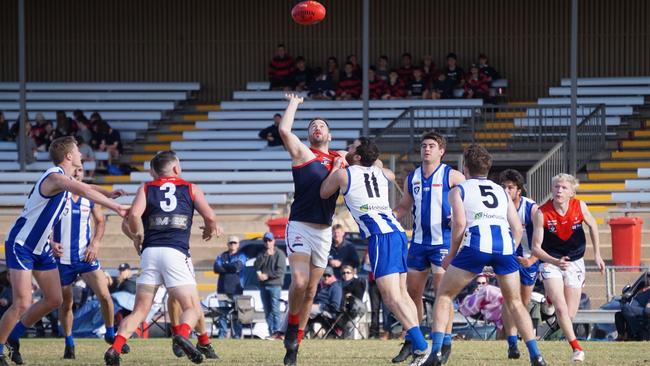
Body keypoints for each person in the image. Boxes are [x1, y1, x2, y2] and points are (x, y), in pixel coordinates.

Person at [0, 136, 128, 366]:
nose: (81, 154)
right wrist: (116, 206)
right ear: (69, 156)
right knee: (22, 302)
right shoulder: (55, 177)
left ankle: (13, 337)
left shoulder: (65, 179)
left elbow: (85, 187)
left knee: (54, 299)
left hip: (41, 248)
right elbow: (82, 188)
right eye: (78, 151)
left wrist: (107, 193)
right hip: (22, 244)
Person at [419, 144, 546, 366]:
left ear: (465, 168)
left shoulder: (458, 190)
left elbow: (459, 224)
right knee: (515, 302)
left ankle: (436, 353)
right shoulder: (501, 191)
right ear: (488, 169)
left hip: (476, 245)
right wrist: (508, 250)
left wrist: (451, 255)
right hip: (505, 247)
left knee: (444, 295)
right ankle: (536, 355)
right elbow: (517, 228)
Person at [105, 150, 223, 365]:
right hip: (175, 252)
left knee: (140, 310)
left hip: (150, 253)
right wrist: (209, 228)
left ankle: (116, 347)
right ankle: (182, 335)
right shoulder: (190, 188)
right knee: (192, 308)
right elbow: (211, 216)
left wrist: (137, 237)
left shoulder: (146, 188)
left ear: (155, 172)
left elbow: (132, 216)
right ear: (176, 168)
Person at [320, 137, 431, 365]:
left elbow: (323, 192)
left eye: (352, 148)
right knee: (402, 294)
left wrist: (337, 165)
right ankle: (415, 342)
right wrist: (359, 157)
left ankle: (421, 346)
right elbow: (383, 168)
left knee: (390, 297)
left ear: (359, 157)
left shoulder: (344, 174)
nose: (347, 149)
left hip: (380, 235)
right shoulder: (380, 172)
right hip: (398, 232)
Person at [278, 93, 346, 366]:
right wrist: (294, 102)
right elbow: (284, 129)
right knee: (300, 281)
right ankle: (291, 330)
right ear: (308, 136)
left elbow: (369, 164)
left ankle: (296, 340)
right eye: (312, 126)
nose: (317, 128)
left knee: (311, 290)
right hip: (300, 226)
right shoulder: (303, 153)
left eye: (322, 125)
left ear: (329, 135)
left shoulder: (340, 159)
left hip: (324, 231)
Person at [392, 131, 465, 364]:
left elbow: (469, 201)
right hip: (419, 242)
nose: (427, 149)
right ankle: (413, 340)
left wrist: (460, 216)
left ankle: (444, 344)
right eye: (424, 145)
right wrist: (387, 218)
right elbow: (404, 206)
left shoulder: (453, 176)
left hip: (442, 242)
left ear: (441, 151)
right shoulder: (412, 177)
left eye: (432, 146)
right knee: (412, 293)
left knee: (444, 294)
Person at [531, 173, 605, 363]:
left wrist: (597, 254)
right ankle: (577, 348)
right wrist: (555, 262)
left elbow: (593, 226)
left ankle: (548, 299)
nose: (559, 191)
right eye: (556, 187)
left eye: (564, 187)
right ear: (552, 189)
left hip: (575, 262)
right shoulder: (542, 212)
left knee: (569, 315)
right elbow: (535, 248)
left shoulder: (579, 206)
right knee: (561, 308)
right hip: (551, 261)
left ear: (571, 192)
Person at [50, 166, 119, 359]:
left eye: (81, 170)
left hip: (86, 257)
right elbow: (43, 222)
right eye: (75, 170)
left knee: (105, 296)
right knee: (66, 304)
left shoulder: (89, 196)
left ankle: (110, 333)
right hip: (62, 259)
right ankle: (69, 343)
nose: (78, 173)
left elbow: (100, 222)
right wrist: (50, 242)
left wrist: (95, 244)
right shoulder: (57, 194)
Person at [498, 169, 539, 359]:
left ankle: (518, 339)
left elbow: (542, 240)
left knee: (523, 302)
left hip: (528, 259)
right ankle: (512, 343)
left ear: (519, 191)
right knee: (510, 299)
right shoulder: (496, 207)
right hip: (507, 258)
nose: (506, 190)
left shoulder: (531, 208)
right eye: (503, 186)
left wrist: (532, 259)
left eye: (510, 187)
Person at [213, 235, 246, 338]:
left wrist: (224, 266)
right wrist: (230, 267)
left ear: (238, 245)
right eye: (231, 243)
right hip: (222, 289)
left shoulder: (241, 255)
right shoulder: (221, 256)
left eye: (234, 243)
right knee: (222, 313)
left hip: (236, 290)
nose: (232, 245)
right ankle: (222, 334)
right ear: (227, 244)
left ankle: (237, 335)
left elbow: (238, 267)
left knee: (237, 313)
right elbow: (216, 268)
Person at [254, 232, 287, 338]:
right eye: (266, 241)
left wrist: (267, 276)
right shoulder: (262, 254)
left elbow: (280, 271)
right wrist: (264, 256)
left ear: (274, 241)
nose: (268, 243)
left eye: (269, 240)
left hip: (275, 286)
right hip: (263, 286)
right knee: (267, 311)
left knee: (275, 310)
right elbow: (256, 266)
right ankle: (271, 331)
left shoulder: (280, 254)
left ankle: (277, 332)